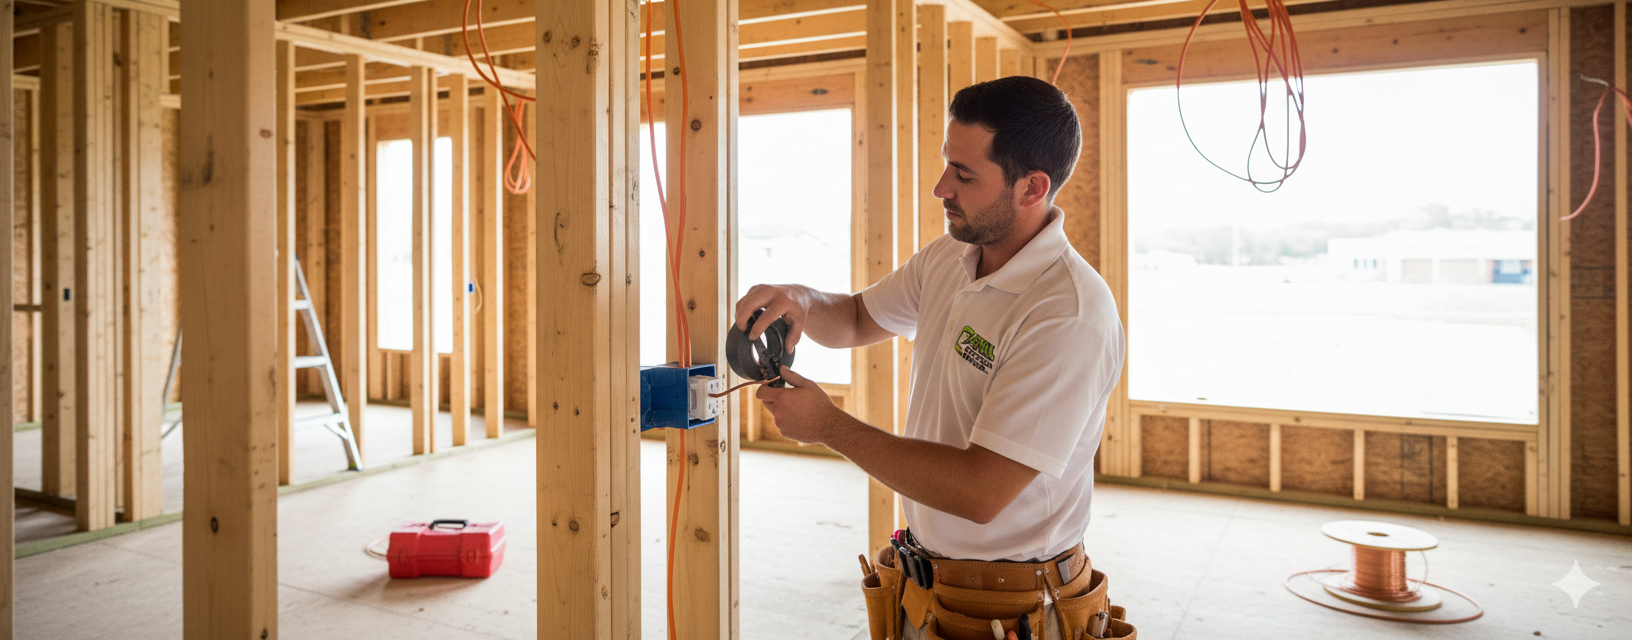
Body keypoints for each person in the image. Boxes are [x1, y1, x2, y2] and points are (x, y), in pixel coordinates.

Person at [734, 76, 1132, 640]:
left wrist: (828, 427)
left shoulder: (1067, 313)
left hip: (1011, 606)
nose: (940, 187)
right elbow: (854, 318)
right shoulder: (953, 257)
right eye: (948, 164)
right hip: (925, 580)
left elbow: (980, 492)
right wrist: (800, 299)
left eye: (964, 174)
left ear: (1032, 187)